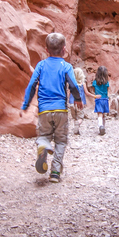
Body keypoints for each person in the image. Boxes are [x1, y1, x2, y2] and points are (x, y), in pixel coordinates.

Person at [20, 32, 83, 183]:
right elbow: (74, 85)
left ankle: (42, 145)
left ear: (46, 50)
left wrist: (25, 105)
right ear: (64, 50)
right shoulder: (66, 66)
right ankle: (55, 172)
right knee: (61, 141)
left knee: (44, 135)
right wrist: (78, 100)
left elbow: (32, 85)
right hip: (61, 110)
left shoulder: (41, 65)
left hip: (44, 110)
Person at [69, 67, 98, 135]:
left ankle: (76, 130)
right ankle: (77, 125)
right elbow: (86, 92)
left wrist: (66, 101)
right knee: (80, 117)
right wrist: (95, 96)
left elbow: (68, 92)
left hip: (71, 102)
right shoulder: (83, 83)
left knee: (75, 117)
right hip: (80, 103)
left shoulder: (71, 82)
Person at [92, 66, 109, 135]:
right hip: (105, 99)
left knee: (99, 114)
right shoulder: (107, 82)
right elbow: (107, 91)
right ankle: (103, 127)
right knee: (104, 114)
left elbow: (93, 90)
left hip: (98, 99)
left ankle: (100, 126)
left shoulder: (95, 82)